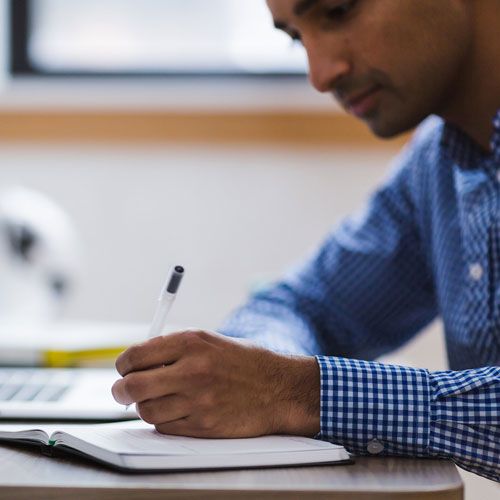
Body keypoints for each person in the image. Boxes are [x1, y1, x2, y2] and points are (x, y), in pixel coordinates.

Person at [111, 0, 500, 481]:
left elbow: (292, 382)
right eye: (296, 37)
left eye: (338, 12)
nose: (320, 75)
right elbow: (304, 305)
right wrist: (255, 373)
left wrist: (297, 392)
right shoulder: (438, 163)